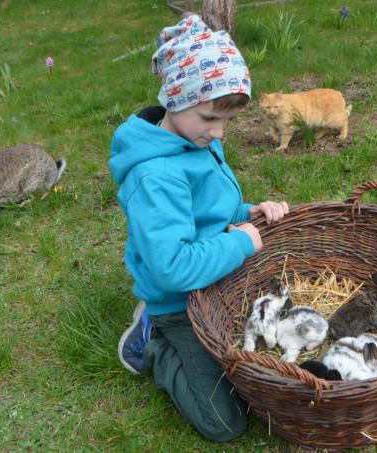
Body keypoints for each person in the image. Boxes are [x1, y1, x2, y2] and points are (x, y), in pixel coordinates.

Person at [108, 15, 289, 442]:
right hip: (177, 298)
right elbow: (172, 267)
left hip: (213, 272)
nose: (220, 131)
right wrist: (240, 244)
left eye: (227, 121)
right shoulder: (156, 178)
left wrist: (249, 211)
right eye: (211, 118)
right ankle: (153, 342)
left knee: (263, 356)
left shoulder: (195, 138)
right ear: (176, 97)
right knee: (226, 422)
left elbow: (209, 209)